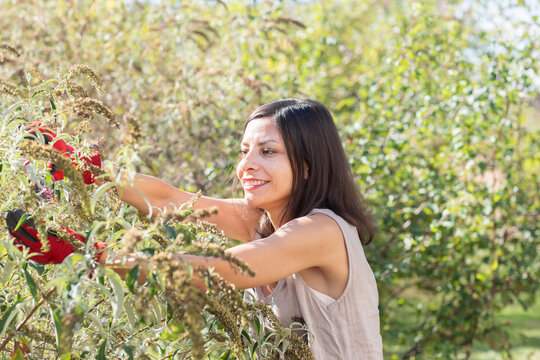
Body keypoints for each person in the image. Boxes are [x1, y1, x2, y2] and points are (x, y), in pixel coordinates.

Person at [7, 99, 383, 359]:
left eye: (268, 152)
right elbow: (172, 200)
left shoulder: (322, 232)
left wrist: (91, 255)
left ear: (307, 165)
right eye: (244, 151)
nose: (246, 165)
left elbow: (227, 270)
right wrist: (83, 169)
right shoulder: (263, 221)